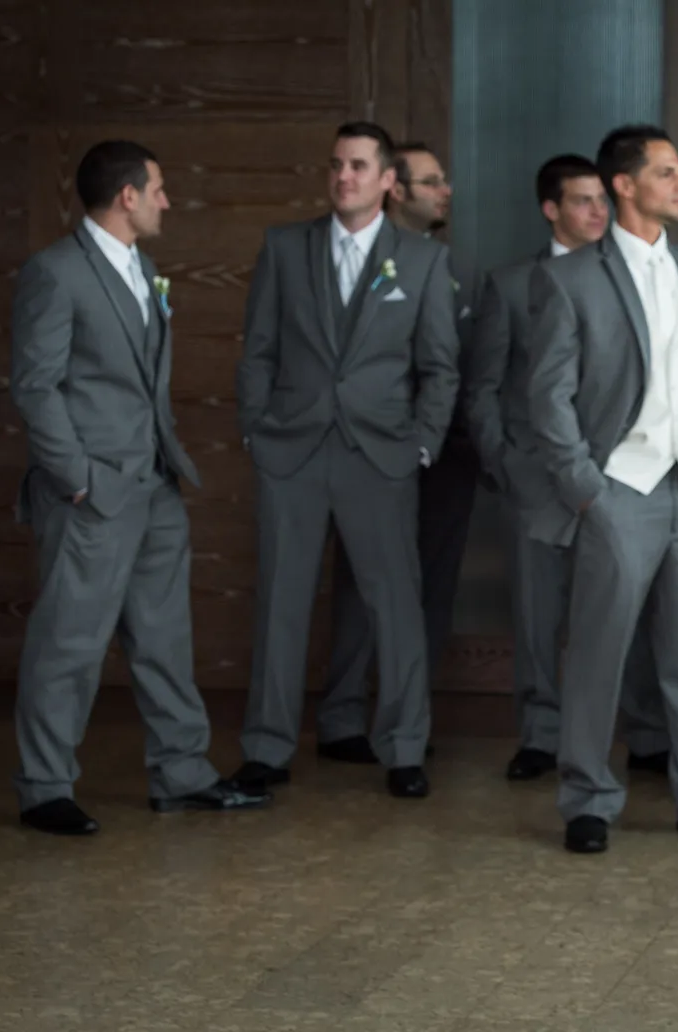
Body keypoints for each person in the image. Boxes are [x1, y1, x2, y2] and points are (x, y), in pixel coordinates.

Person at [9, 140, 268, 834]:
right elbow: (35, 388)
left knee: (164, 640)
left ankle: (181, 775)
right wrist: (77, 480)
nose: (166, 201)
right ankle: (44, 788)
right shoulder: (54, 272)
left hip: (155, 485)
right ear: (128, 196)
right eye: (158, 189)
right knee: (69, 644)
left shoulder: (145, 269)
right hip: (90, 494)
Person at [527, 124, 678, 853]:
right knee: (599, 650)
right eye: (667, 171)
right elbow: (548, 396)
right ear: (624, 184)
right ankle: (588, 797)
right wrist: (585, 488)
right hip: (618, 490)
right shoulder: (569, 278)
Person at [231, 122, 459, 800]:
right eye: (335, 164)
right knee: (280, 604)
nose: (343, 177)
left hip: (381, 455)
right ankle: (266, 748)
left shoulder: (422, 260)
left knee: (396, 608)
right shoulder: (285, 246)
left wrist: (422, 443)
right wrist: (255, 432)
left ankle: (405, 748)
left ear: (388, 181)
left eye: (358, 166)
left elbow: (439, 367)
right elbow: (258, 350)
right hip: (292, 453)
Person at [463, 153, 670, 780]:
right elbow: (484, 387)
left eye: (603, 199)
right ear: (551, 209)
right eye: (582, 201)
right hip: (536, 481)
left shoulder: (631, 276)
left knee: (627, 609)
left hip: (619, 480)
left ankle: (644, 732)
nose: (598, 211)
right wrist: (506, 464)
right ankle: (540, 735)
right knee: (537, 613)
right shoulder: (509, 284)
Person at [321, 143, 483, 760]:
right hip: (365, 453)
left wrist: (432, 444)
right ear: (395, 188)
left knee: (428, 593)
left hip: (443, 458)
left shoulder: (456, 267)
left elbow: (463, 365)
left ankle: (410, 723)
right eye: (431, 181)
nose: (445, 191)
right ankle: (343, 718)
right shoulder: (346, 259)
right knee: (356, 590)